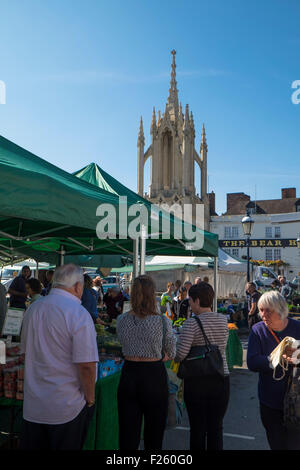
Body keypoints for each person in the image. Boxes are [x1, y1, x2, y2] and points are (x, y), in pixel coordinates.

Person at [20, 264, 99, 450]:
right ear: (78, 286)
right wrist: (90, 399)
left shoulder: (33, 309)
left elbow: (24, 353)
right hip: (66, 407)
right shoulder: (79, 314)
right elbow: (87, 366)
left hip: (34, 406)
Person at [116, 275, 176, 450]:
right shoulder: (162, 321)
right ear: (152, 295)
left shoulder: (122, 320)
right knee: (154, 435)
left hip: (129, 374)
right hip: (153, 375)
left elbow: (123, 344)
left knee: (128, 435)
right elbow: (171, 352)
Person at [175, 282, 230, 450]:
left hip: (198, 380)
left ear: (197, 301)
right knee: (216, 428)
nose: (189, 304)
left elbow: (180, 354)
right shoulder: (222, 320)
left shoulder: (192, 323)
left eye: (190, 300)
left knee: (198, 429)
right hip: (221, 377)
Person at [247, 290, 300, 450]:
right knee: (276, 444)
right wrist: (275, 359)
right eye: (261, 309)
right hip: (270, 401)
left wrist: (297, 357)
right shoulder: (258, 330)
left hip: (297, 402)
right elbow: (252, 362)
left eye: (268, 310)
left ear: (281, 310)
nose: (263, 314)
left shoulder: (297, 327)